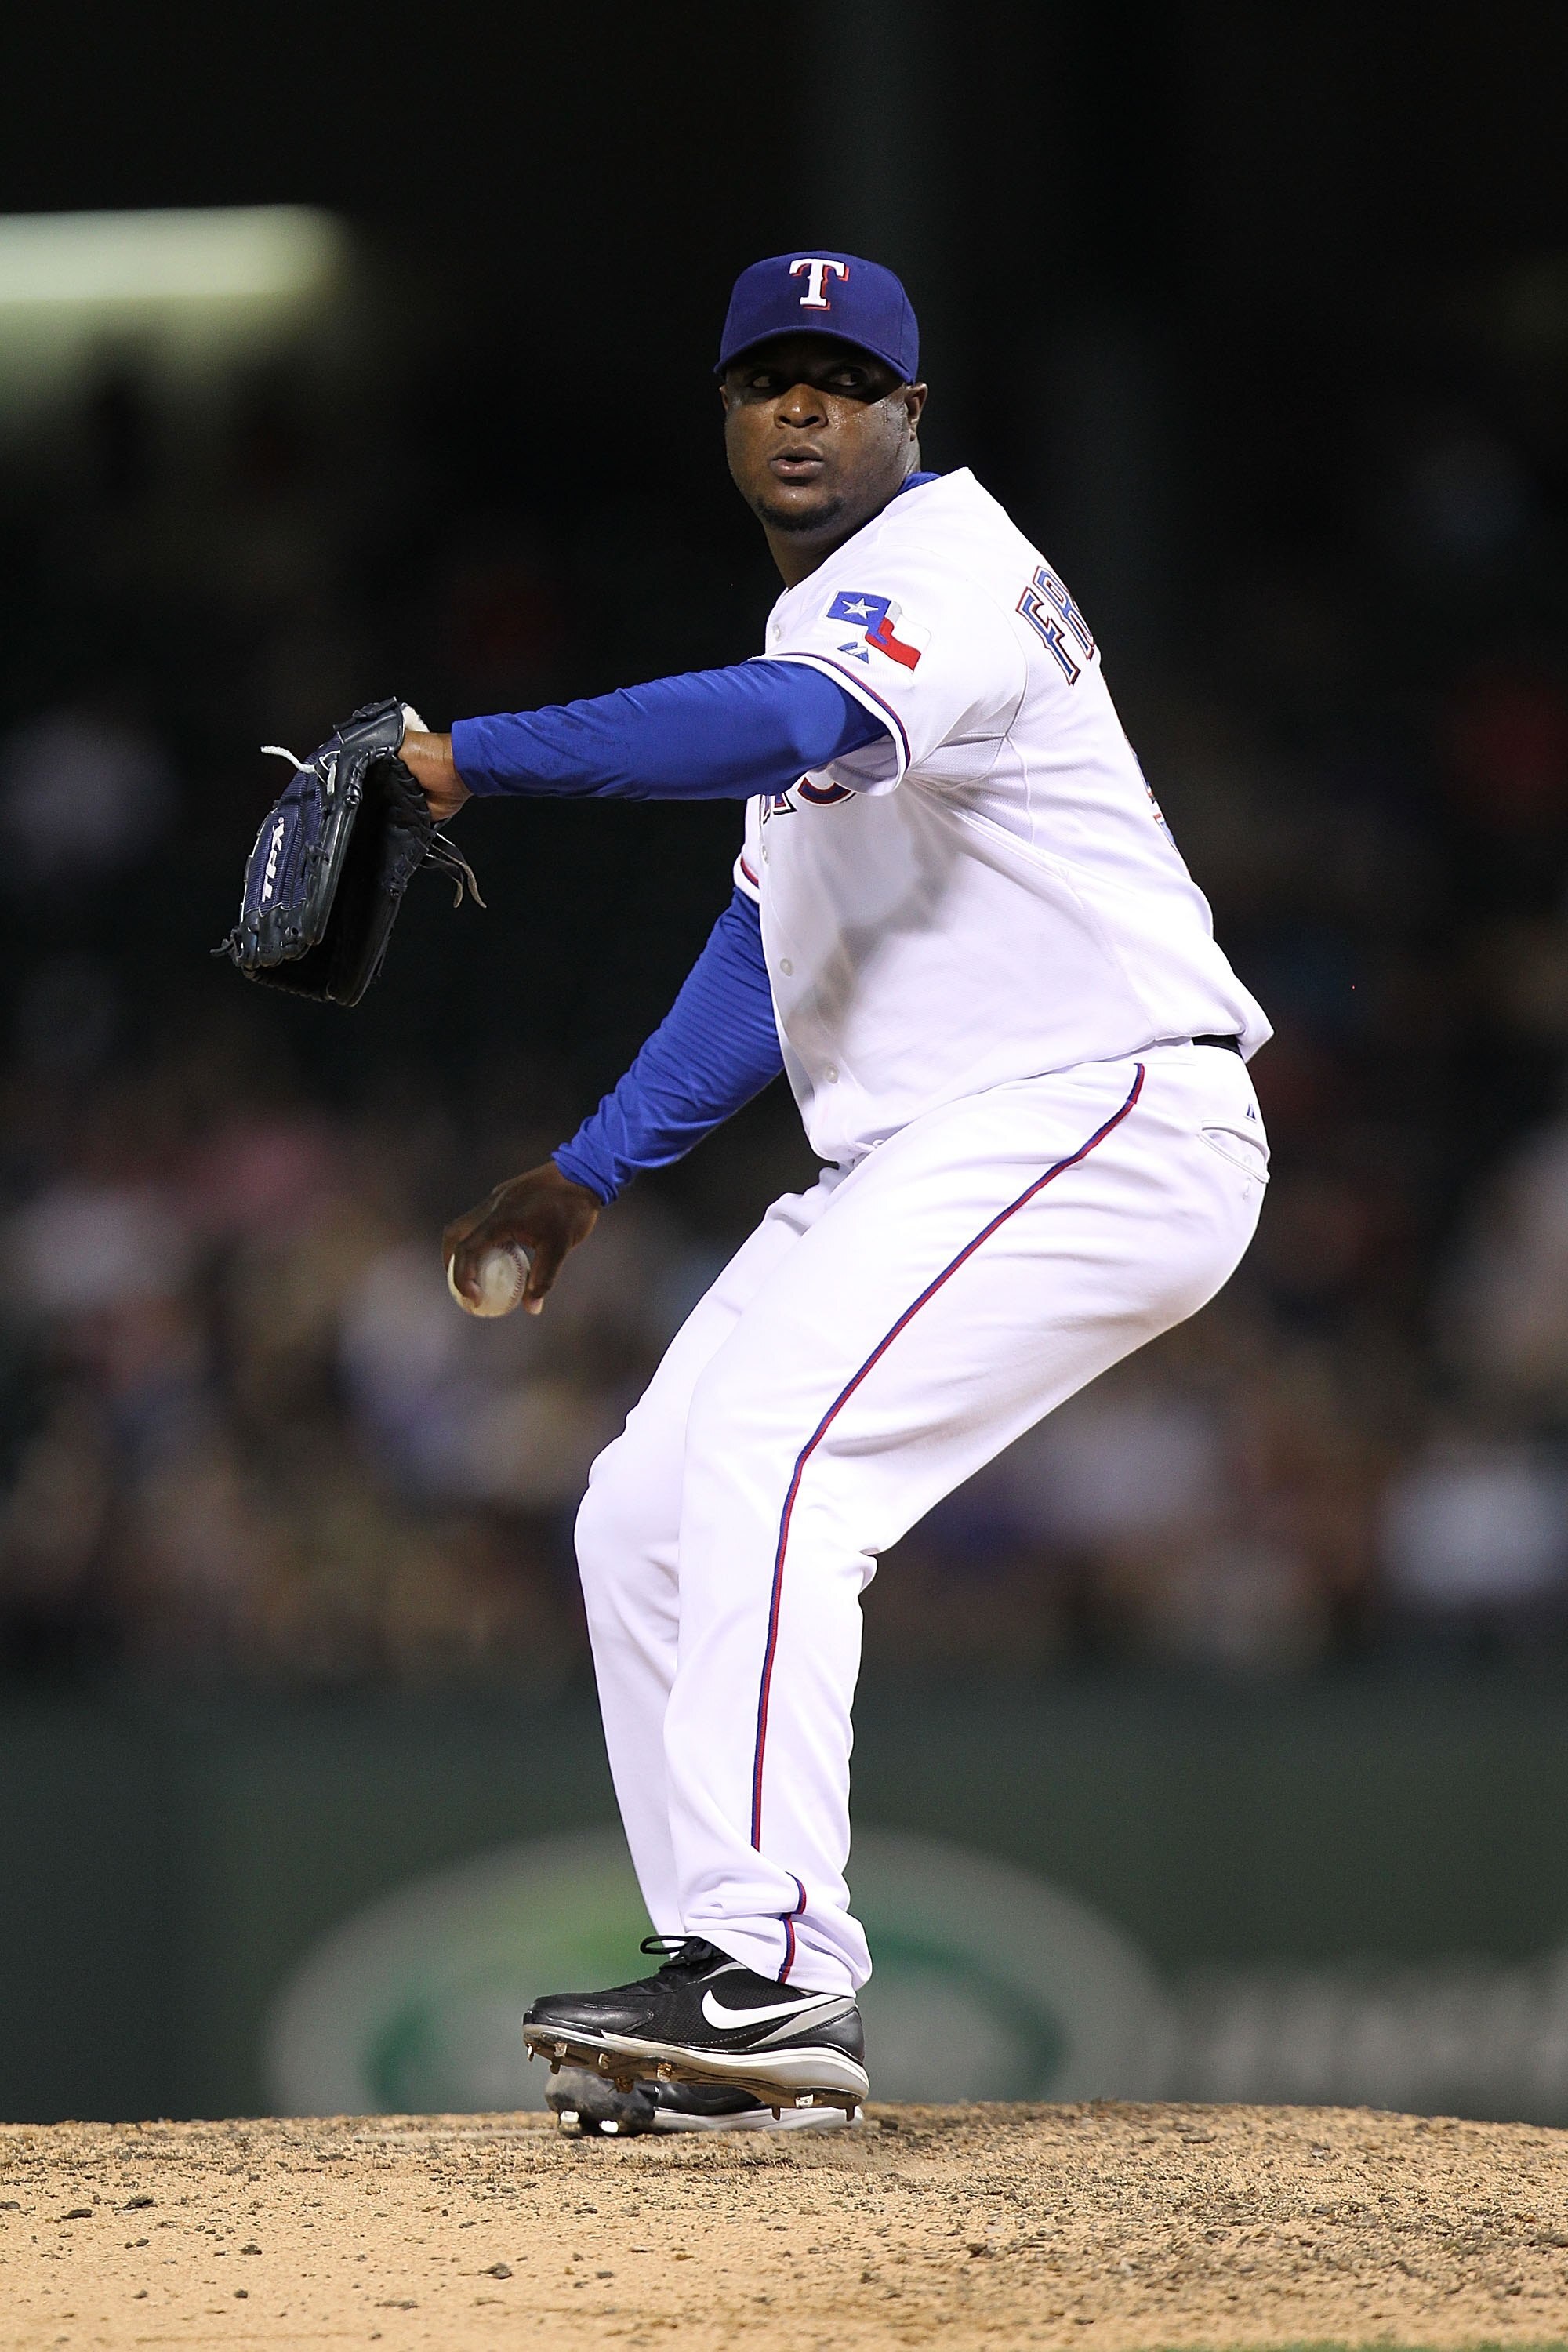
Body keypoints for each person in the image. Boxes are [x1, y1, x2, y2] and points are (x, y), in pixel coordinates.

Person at [403, 250, 1271, 2133]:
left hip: (1098, 1111)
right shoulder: (832, 619)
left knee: (784, 1456)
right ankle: (724, 2006)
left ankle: (781, 1970)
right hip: (937, 1148)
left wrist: (475, 761)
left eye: (840, 380)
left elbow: (783, 733)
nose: (801, 409)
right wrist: (586, 1171)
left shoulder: (939, 581)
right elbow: (765, 943)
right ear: (725, 415)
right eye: (766, 380)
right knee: (641, 1515)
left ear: (908, 416)